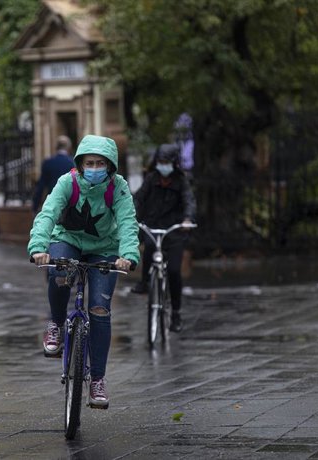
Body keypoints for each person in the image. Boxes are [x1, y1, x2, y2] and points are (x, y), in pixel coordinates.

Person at [28, 134, 140, 409]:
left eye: (100, 163)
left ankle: (98, 379)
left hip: (104, 247)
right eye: (88, 163)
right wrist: (38, 246)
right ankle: (55, 324)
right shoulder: (68, 182)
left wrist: (128, 255)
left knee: (100, 308)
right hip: (67, 238)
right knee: (60, 273)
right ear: (79, 163)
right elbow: (48, 213)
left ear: (110, 166)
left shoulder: (119, 187)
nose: (93, 168)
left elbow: (127, 221)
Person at [131, 143, 197, 333]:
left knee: (175, 271)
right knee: (150, 247)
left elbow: (189, 201)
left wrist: (187, 219)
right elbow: (139, 198)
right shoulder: (151, 179)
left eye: (166, 162)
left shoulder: (182, 182)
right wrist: (133, 216)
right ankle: (145, 283)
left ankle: (175, 313)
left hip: (174, 232)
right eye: (160, 162)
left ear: (174, 164)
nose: (163, 165)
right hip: (153, 226)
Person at [31, 135, 75, 214]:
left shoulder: (48, 163)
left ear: (56, 147)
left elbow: (41, 186)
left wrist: (35, 206)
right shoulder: (72, 163)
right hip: (69, 206)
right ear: (68, 147)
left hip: (52, 204)